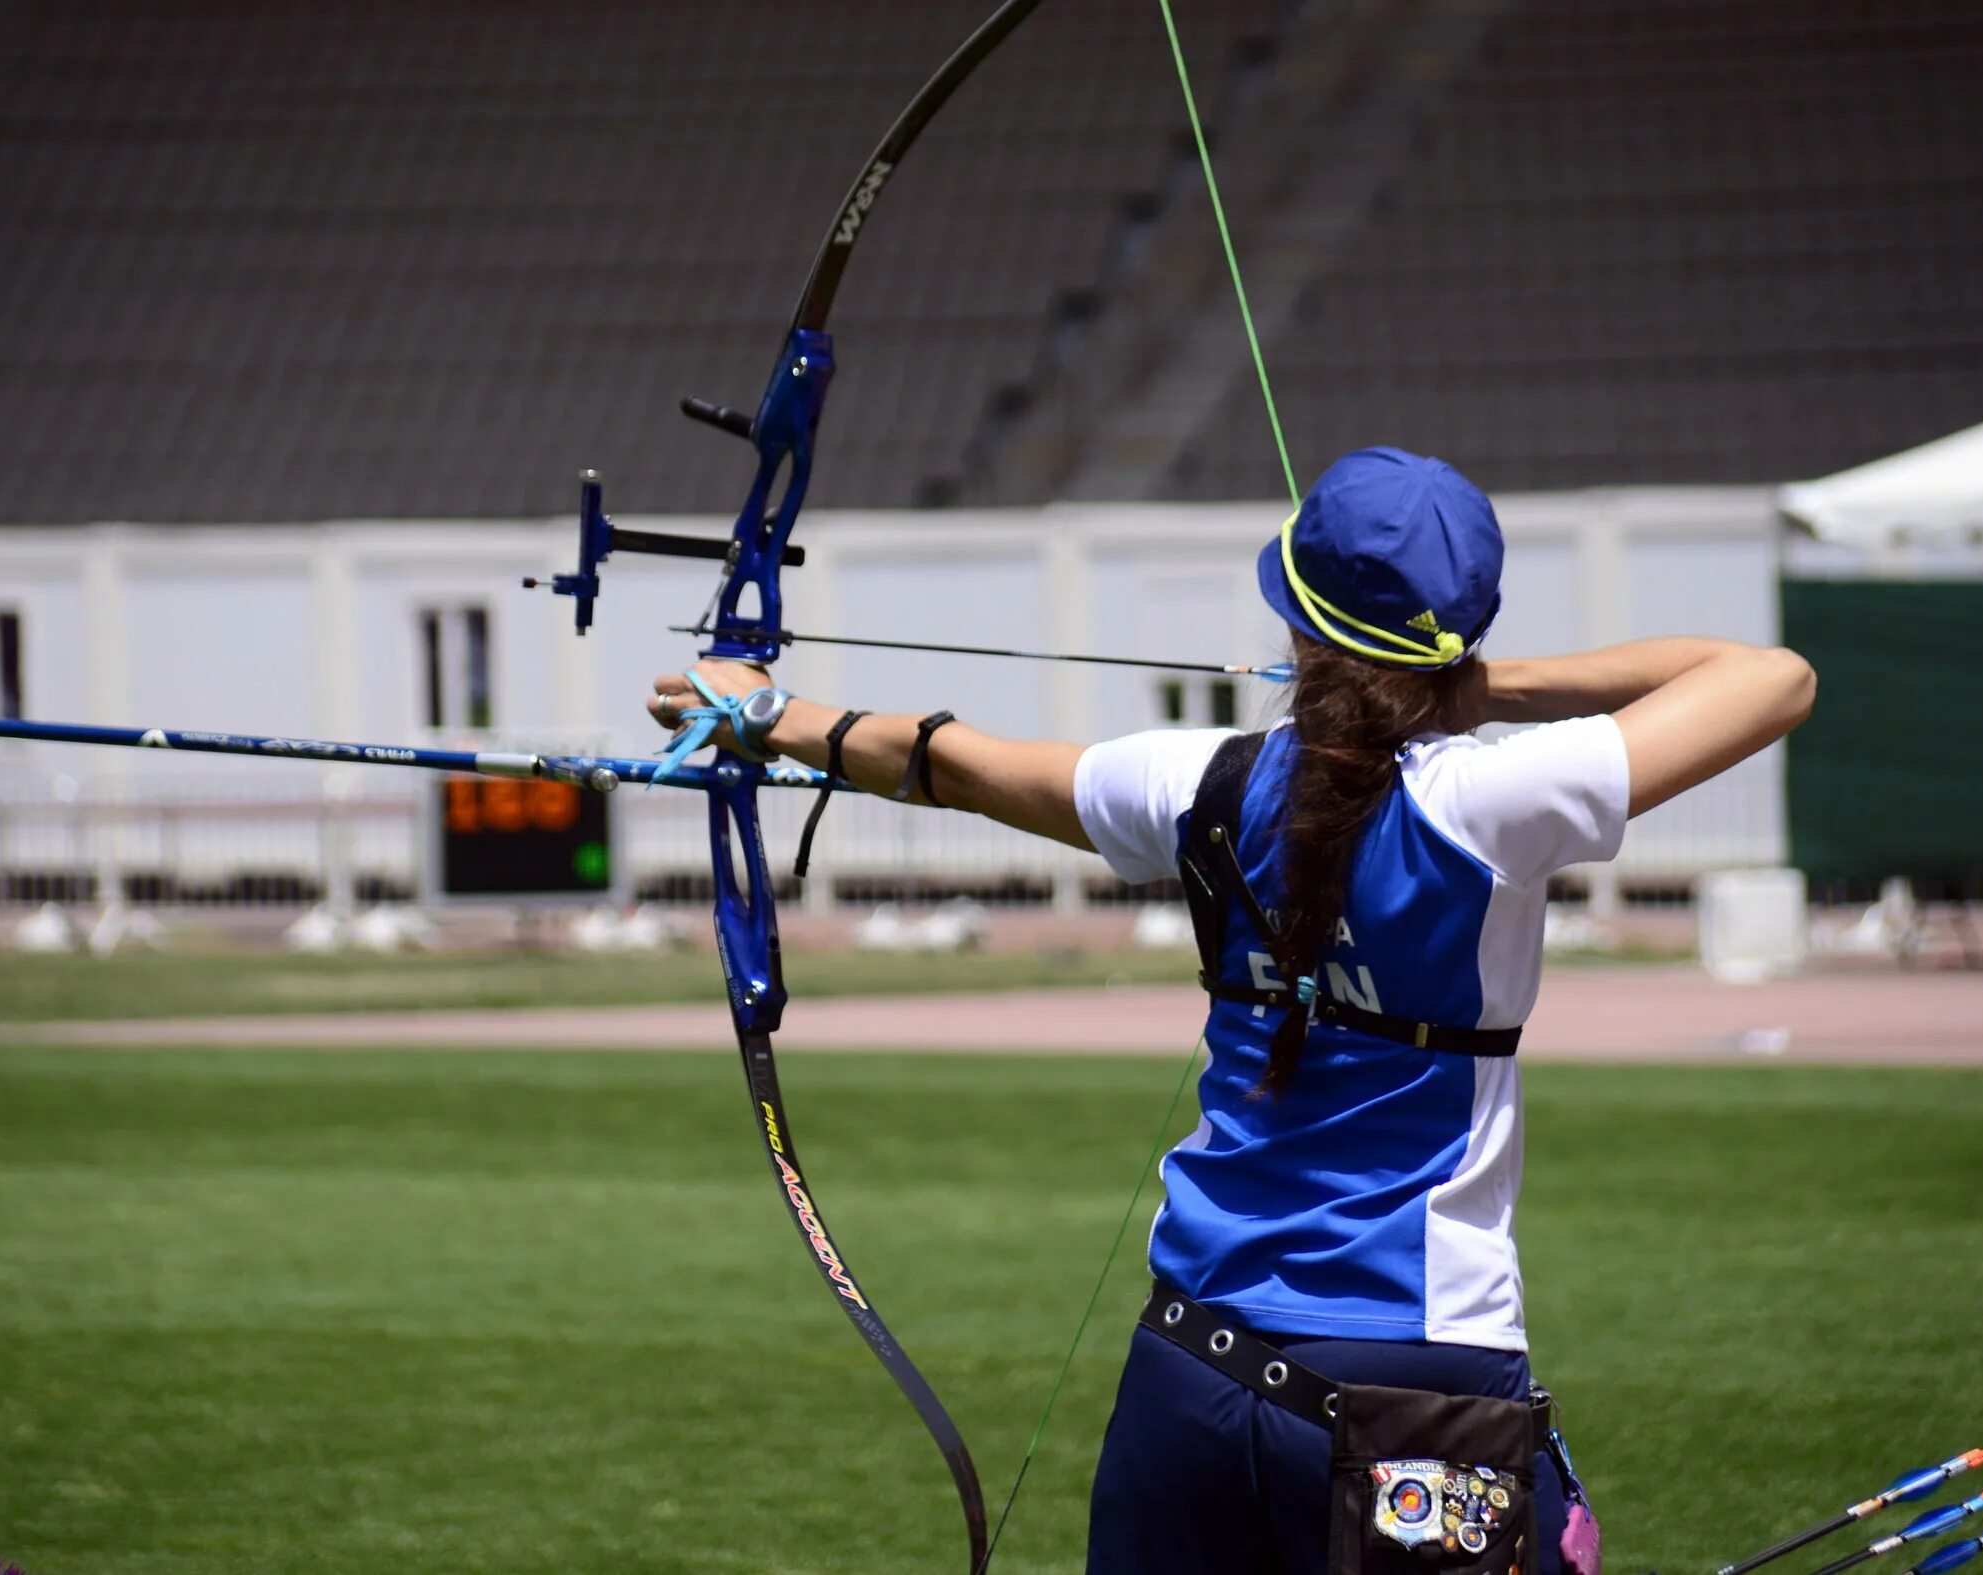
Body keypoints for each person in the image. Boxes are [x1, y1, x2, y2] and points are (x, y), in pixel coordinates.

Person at [647, 446, 1815, 1575]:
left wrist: (766, 711)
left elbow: (947, 760)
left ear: (1300, 624)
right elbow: (1771, 677)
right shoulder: (1499, 799)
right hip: (1415, 1377)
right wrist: (1475, 687)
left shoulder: (1189, 781)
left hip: (1191, 1374)